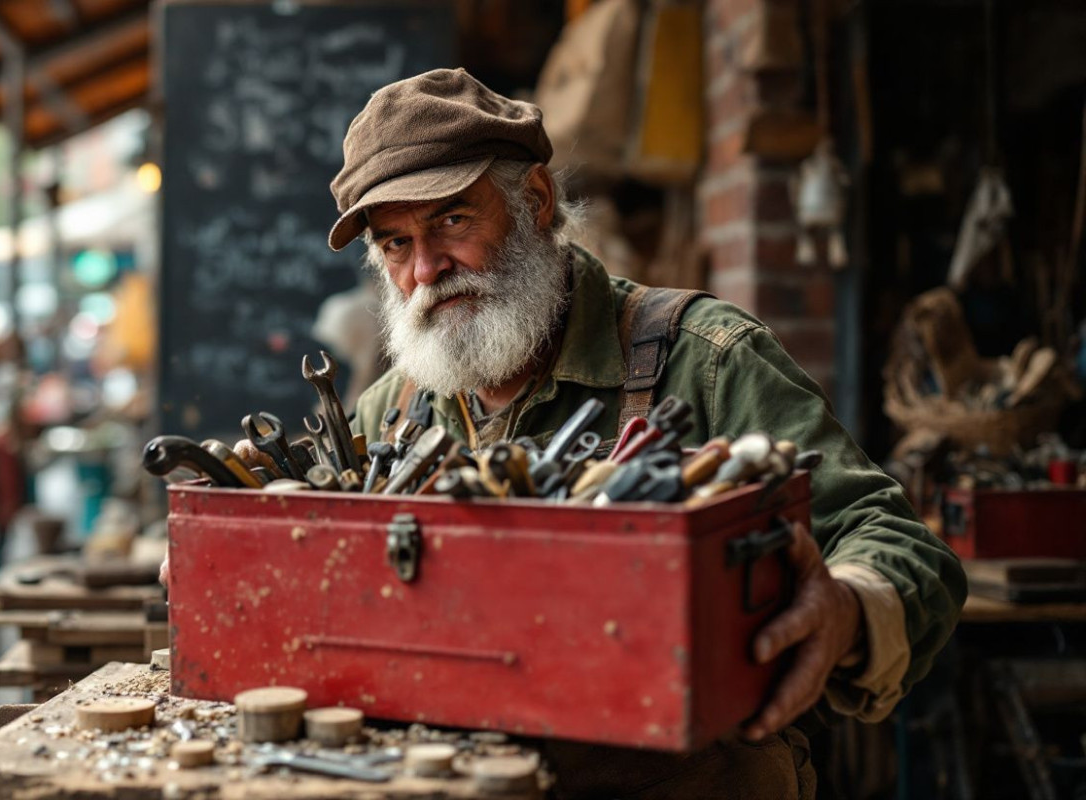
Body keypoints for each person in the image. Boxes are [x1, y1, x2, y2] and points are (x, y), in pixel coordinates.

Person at [169, 68, 966, 798]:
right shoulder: (392, 410)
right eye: (396, 244)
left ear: (537, 202)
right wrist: (234, 558)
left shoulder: (707, 358)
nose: (426, 269)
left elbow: (894, 540)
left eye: (452, 218)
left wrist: (848, 605)